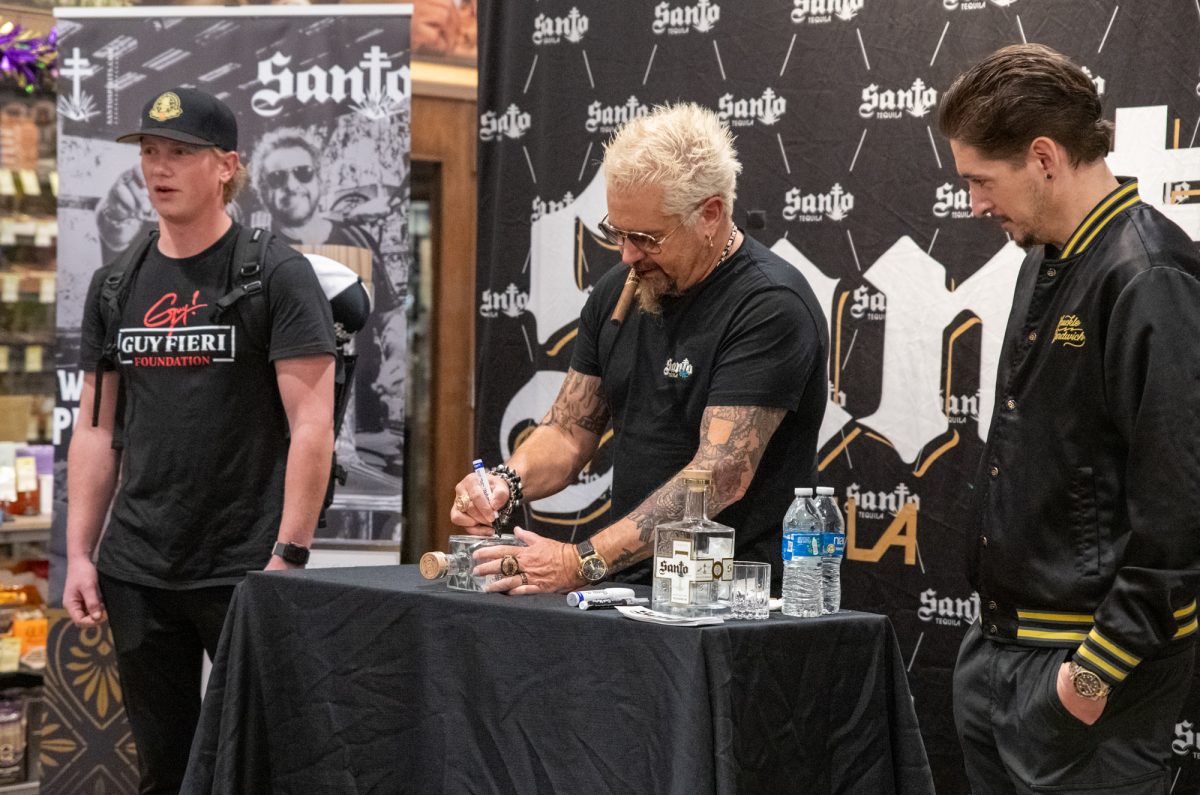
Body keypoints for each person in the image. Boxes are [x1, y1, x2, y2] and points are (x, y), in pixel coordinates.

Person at [938, 43, 1200, 794]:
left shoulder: (1149, 274)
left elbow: (1181, 510)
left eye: (980, 181)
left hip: (1084, 679)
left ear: (1044, 156)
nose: (975, 204)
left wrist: (1091, 676)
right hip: (1001, 655)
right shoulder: (1045, 258)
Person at [62, 87, 336, 794]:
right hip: (138, 569)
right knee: (165, 769)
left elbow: (312, 424)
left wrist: (290, 554)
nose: (160, 167)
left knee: (266, 766)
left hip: (245, 567)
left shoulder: (273, 272)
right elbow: (96, 429)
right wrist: (78, 552)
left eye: (180, 152)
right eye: (151, 152)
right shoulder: (115, 284)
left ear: (226, 166)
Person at [450, 102, 829, 595]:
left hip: (736, 604)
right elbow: (567, 433)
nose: (627, 254)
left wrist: (581, 561)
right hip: (633, 592)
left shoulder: (769, 306)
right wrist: (505, 482)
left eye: (645, 237)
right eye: (617, 232)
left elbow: (718, 476)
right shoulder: (619, 291)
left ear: (710, 214)